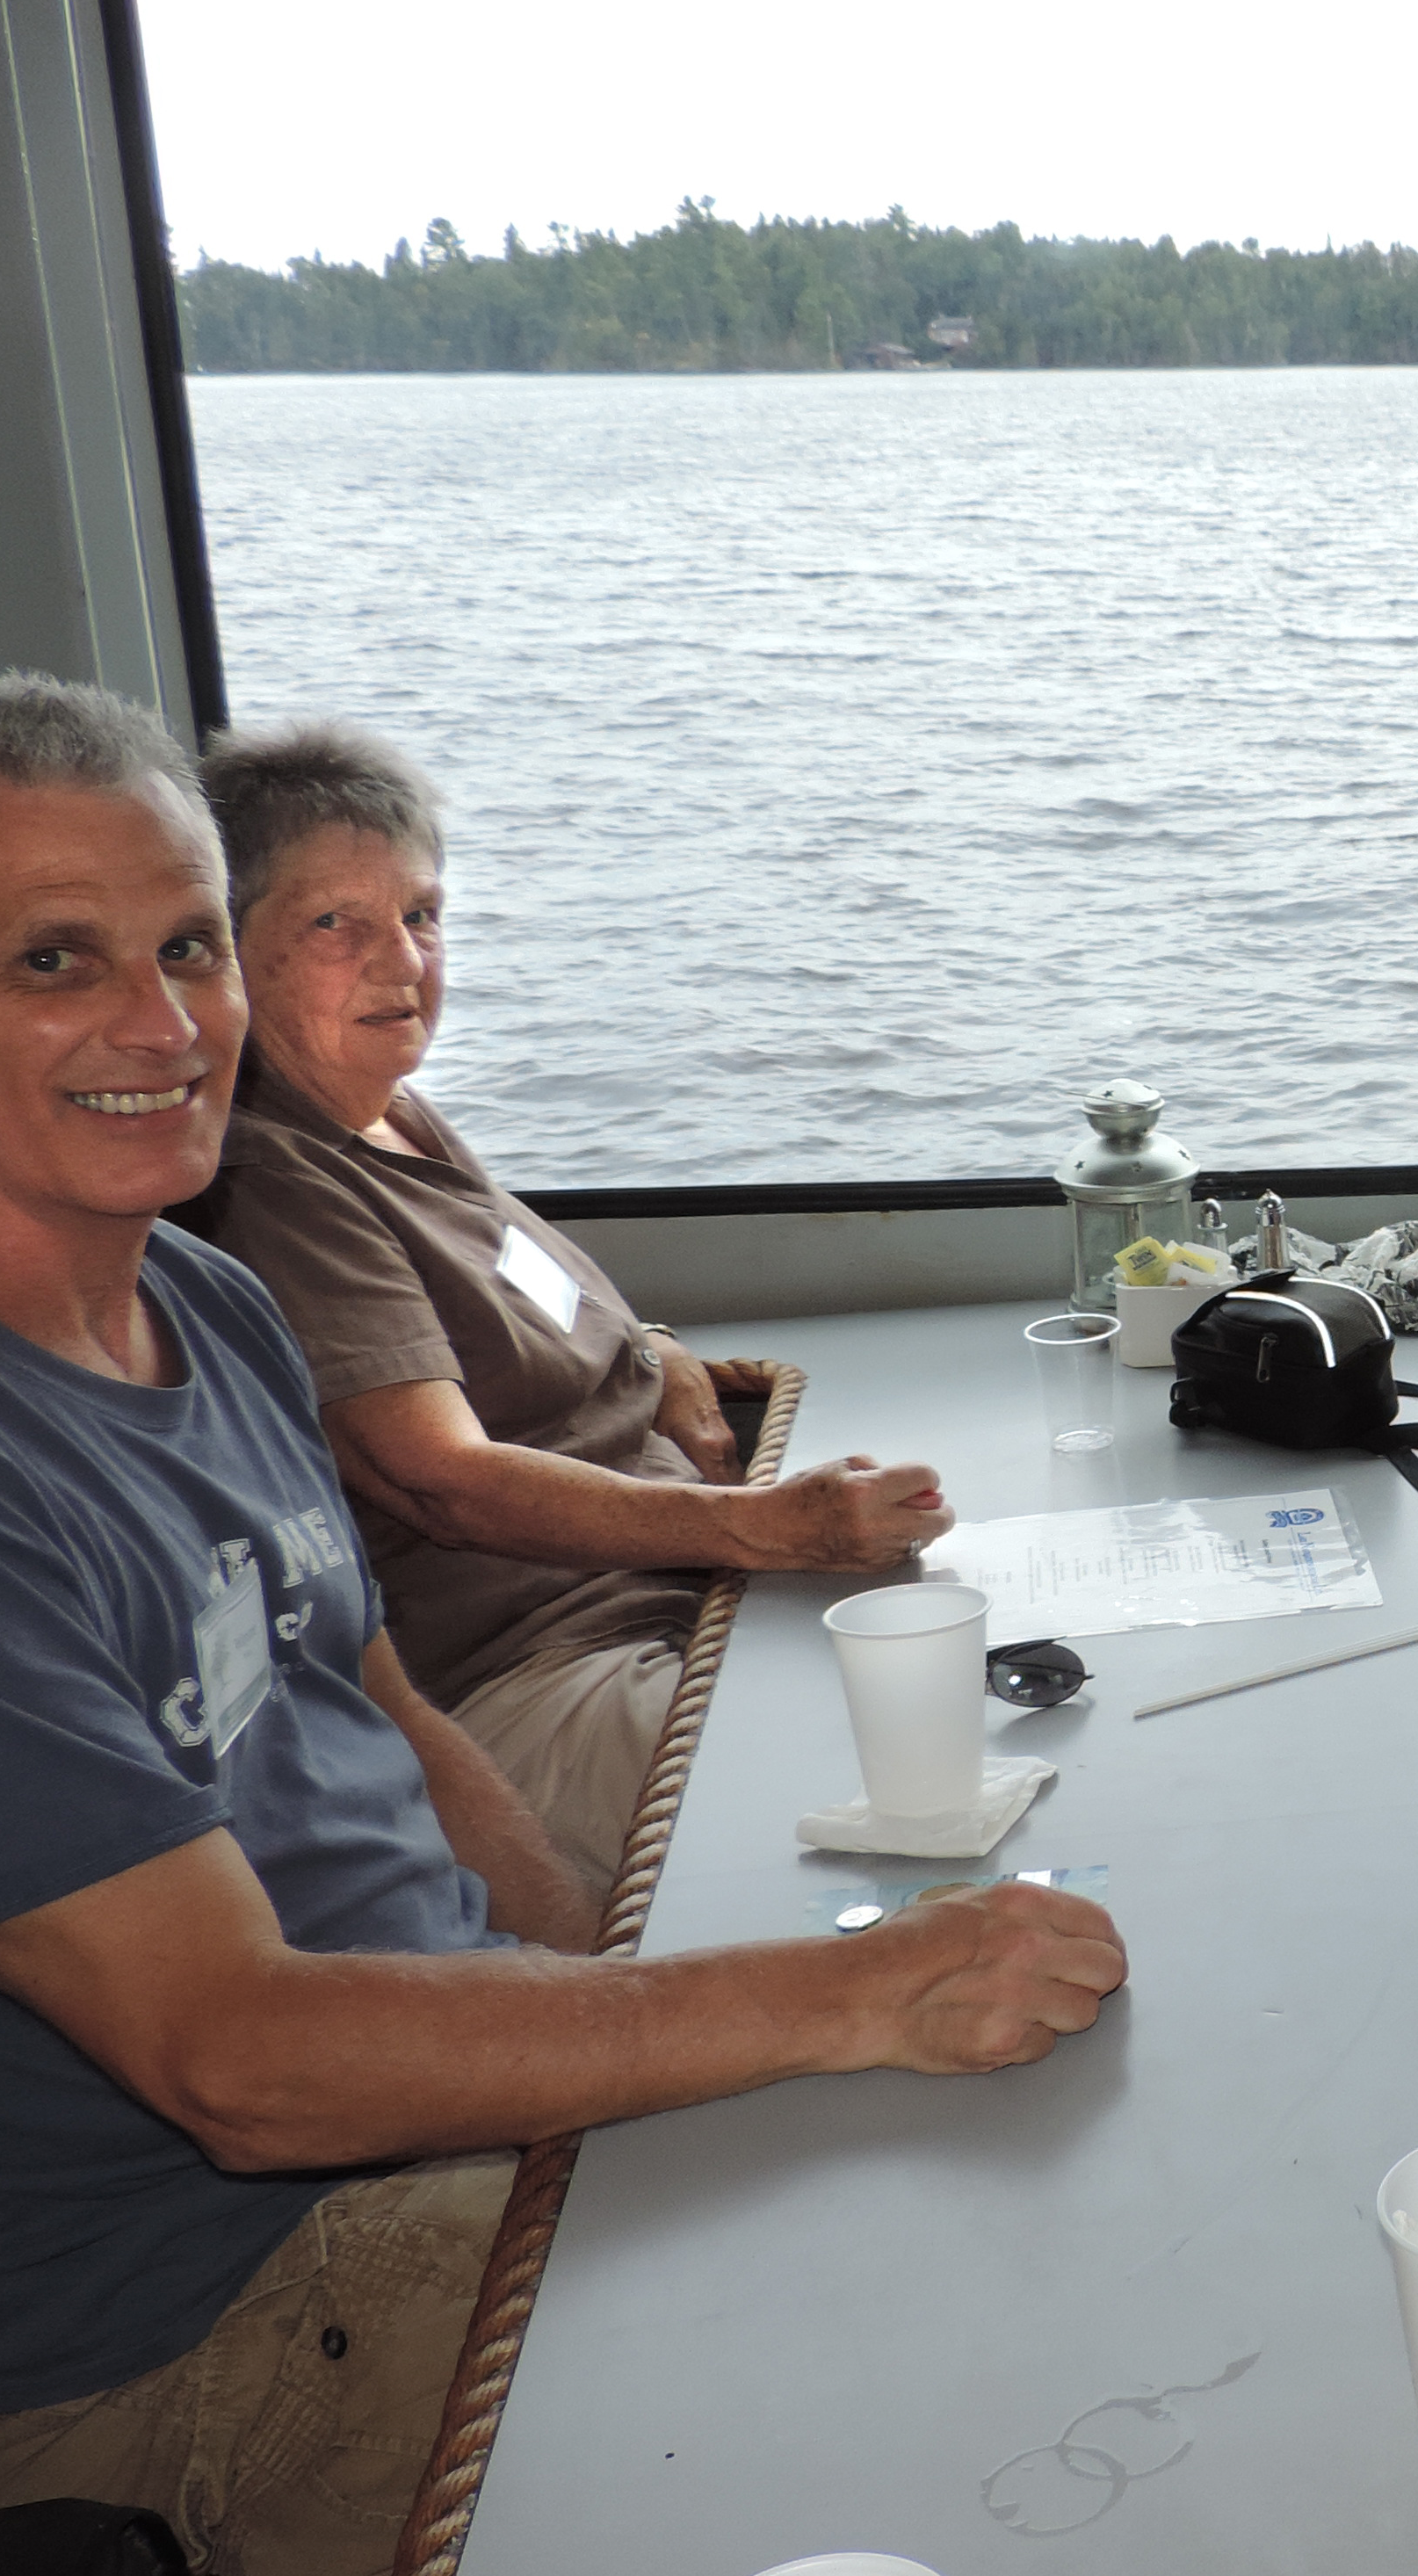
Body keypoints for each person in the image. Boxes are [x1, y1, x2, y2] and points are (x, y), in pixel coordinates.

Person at [0, 674, 1125, 2576]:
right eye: (56, 960)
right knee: (945, 2342)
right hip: (178, 2328)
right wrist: (844, 2001)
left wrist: (608, 1981)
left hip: (394, 2113)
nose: (160, 1026)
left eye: (190, 945)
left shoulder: (199, 1296)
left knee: (1018, 2173)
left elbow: (376, 1691)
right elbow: (240, 2063)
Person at [188, 720, 948, 1901]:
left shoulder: (392, 1115)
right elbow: (440, 1475)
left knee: (992, 1675)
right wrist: (765, 1530)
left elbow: (523, 1322)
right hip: (553, 1673)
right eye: (335, 924)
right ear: (224, 956)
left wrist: (653, 1351)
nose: (402, 963)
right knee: (929, 1776)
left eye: (422, 916)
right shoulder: (276, 1180)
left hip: (681, 1595)